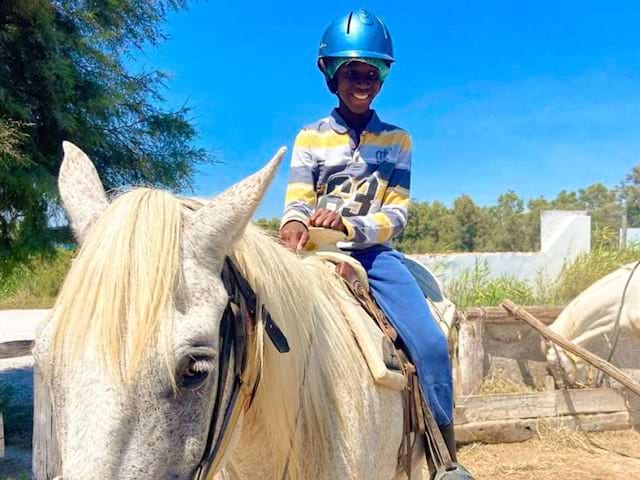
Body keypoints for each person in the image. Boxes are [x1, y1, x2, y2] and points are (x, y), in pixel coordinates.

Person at [278, 8, 464, 472]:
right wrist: (293, 226)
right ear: (332, 76)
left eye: (371, 74)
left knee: (430, 344)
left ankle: (444, 457)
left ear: (381, 79)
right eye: (352, 73)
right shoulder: (309, 137)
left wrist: (350, 228)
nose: (362, 83)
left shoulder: (398, 140)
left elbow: (396, 213)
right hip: (315, 253)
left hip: (374, 255)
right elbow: (298, 198)